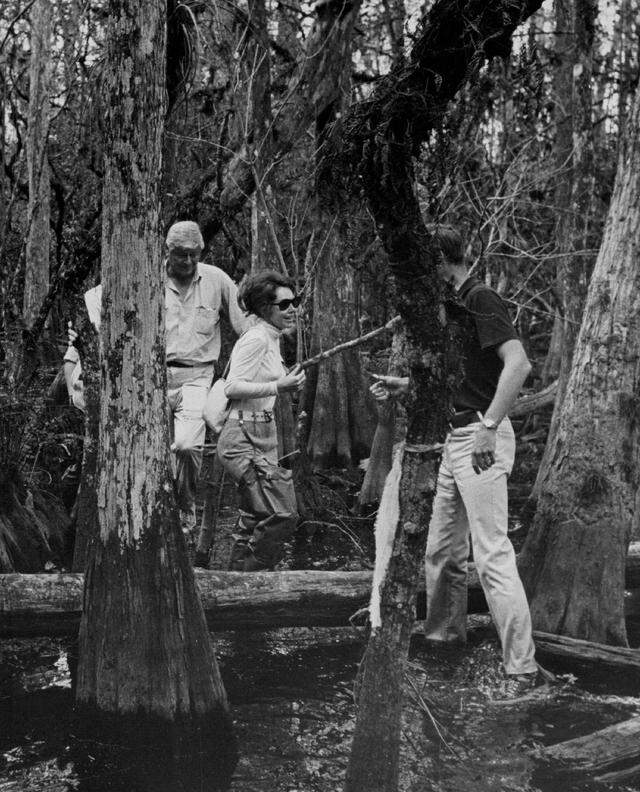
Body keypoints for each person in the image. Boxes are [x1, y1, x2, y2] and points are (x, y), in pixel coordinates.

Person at [370, 225, 541, 701]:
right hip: (452, 435)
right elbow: (464, 378)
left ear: (442, 263)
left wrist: (489, 424)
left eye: (427, 268)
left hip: (478, 437)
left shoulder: (480, 298)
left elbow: (519, 365)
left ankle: (521, 668)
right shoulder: (452, 306)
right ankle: (444, 644)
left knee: (491, 554)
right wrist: (405, 387)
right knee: (443, 551)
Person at [63, 220, 248, 535]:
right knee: (150, 451)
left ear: (201, 251)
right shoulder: (145, 274)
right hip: (150, 377)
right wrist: (91, 333)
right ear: (168, 251)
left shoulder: (217, 280)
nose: (187, 261)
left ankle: (184, 510)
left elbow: (243, 326)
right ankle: (148, 514)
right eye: (180, 255)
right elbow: (93, 299)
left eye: (193, 254)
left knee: (187, 446)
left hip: (197, 377)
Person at [216, 269, 305, 572]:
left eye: (295, 301)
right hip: (242, 434)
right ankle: (251, 578)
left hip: (263, 431)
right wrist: (278, 387)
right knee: (281, 514)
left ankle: (238, 588)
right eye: (284, 304)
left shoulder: (272, 336)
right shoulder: (255, 338)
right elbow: (232, 386)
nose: (293, 309)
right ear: (265, 308)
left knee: (253, 517)